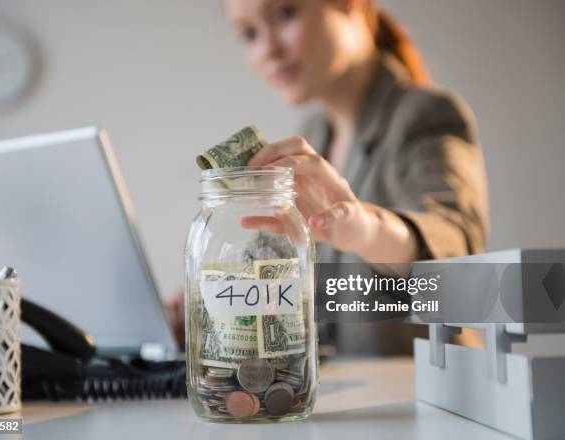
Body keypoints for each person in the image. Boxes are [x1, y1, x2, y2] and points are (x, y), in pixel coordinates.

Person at [168, 0, 488, 354]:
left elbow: (457, 249)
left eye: (285, 13)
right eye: (249, 34)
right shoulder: (314, 135)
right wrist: (222, 304)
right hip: (356, 398)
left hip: (436, 394)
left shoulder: (423, 114)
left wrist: (365, 229)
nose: (268, 49)